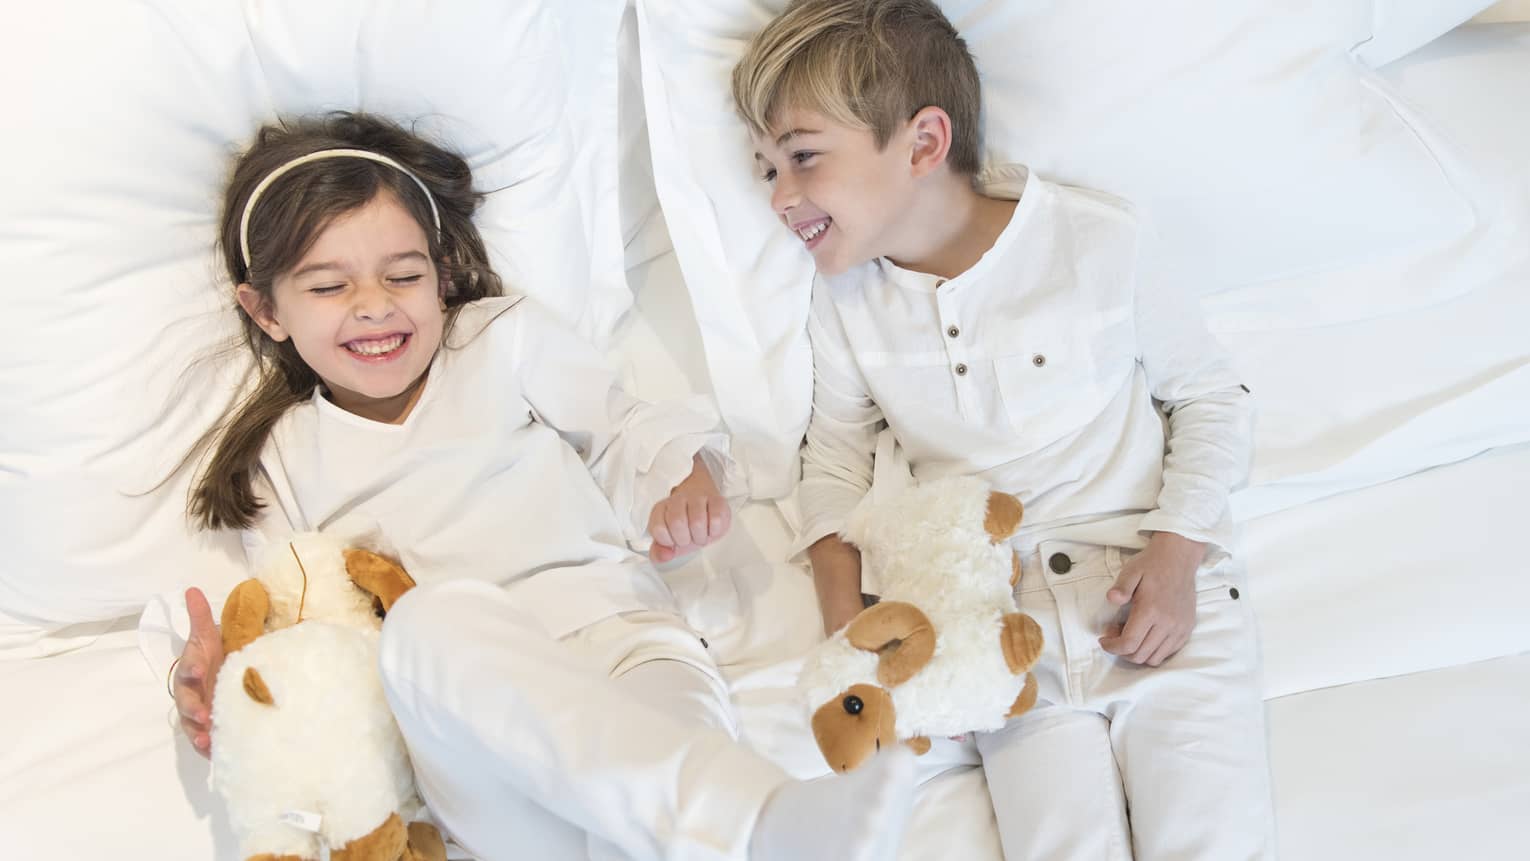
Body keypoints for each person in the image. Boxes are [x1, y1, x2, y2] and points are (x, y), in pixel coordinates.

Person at [168, 111, 915, 861]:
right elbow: (297, 625)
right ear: (265, 311)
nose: (375, 304)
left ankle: (753, 821)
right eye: (330, 286)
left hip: (623, 650)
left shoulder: (497, 340)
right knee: (428, 623)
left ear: (442, 275)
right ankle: (750, 823)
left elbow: (620, 424)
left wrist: (680, 482)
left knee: (664, 782)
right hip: (476, 745)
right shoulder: (285, 457)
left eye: (404, 275)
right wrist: (219, 676)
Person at [733, 2, 1277, 858]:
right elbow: (832, 461)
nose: (780, 197)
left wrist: (1177, 555)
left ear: (923, 143)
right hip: (997, 630)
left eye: (802, 157)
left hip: (1154, 593)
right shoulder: (843, 303)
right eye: (765, 168)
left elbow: (1211, 397)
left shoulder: (1097, 240)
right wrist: (852, 629)